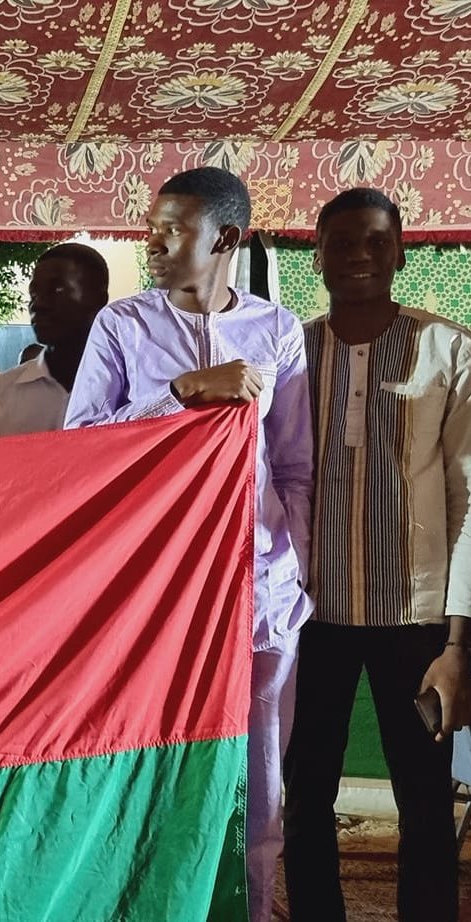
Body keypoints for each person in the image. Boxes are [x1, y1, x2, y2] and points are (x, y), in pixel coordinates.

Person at [63, 166, 313, 922]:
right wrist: (179, 392)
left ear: (226, 239)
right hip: (151, 589)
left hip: (257, 592)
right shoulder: (122, 326)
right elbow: (78, 445)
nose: (153, 242)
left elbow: (293, 463)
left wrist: (287, 560)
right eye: (153, 226)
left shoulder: (276, 331)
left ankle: (256, 905)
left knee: (260, 770)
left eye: (173, 229)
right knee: (156, 753)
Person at [283, 189, 471, 922]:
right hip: (309, 616)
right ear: (318, 253)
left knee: (423, 802)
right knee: (304, 797)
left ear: (398, 251)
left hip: (417, 620)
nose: (357, 255)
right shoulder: (288, 351)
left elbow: (469, 498)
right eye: (340, 242)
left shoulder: (449, 351)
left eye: (373, 241)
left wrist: (457, 644)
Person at [0, 244, 109, 439]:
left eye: (57, 289)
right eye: (34, 293)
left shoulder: (130, 393)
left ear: (99, 299)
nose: (38, 304)